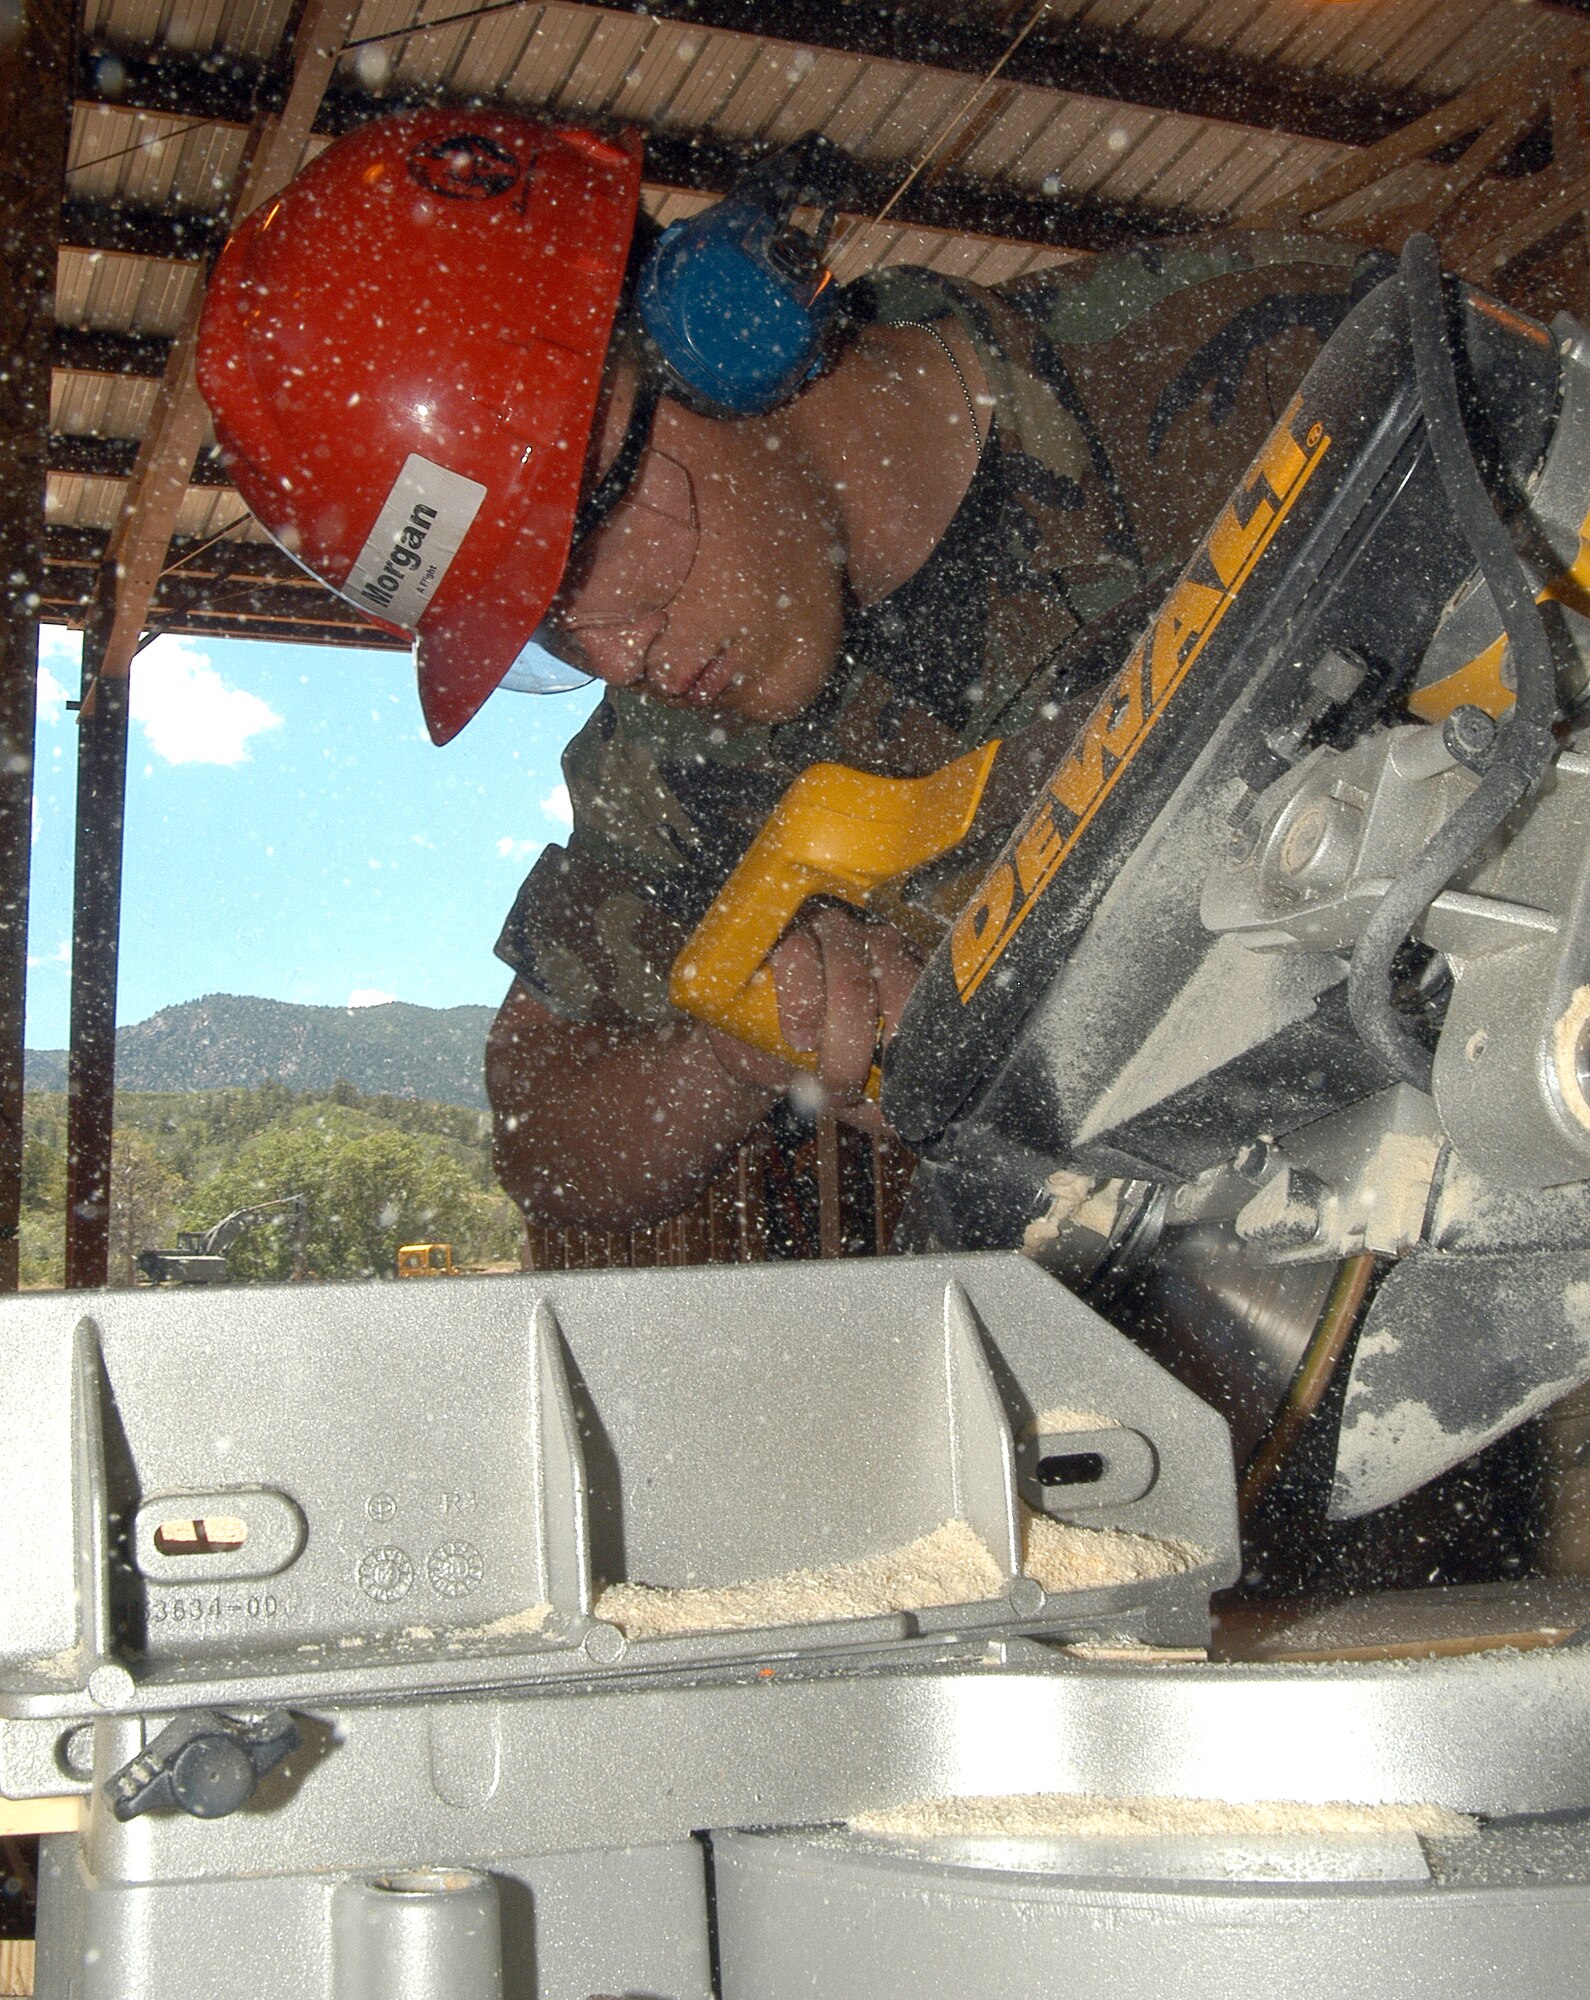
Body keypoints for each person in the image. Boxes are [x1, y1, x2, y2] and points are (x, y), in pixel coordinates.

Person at [197, 108, 1384, 1232]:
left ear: (716, 334)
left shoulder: (1263, 350)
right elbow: (539, 1127)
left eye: (572, 554)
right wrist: (737, 1046)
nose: (615, 654)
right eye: (540, 629)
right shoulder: (671, 764)